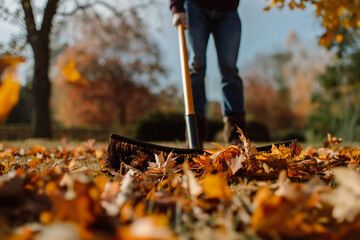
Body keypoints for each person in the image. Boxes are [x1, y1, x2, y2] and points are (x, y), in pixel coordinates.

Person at [170, 0, 246, 146]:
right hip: (195, 6)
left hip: (228, 10)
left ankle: (236, 136)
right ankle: (195, 136)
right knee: (196, 67)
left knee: (230, 70)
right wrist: (177, 7)